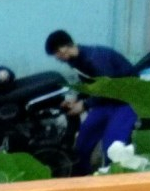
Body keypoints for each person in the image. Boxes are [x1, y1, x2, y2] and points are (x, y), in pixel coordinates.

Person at [45, 30, 138, 174]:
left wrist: (85, 105)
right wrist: (77, 98)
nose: (57, 58)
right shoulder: (75, 60)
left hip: (124, 102)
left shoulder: (94, 58)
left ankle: (113, 179)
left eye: (56, 53)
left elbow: (108, 88)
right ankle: (81, 177)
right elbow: (91, 84)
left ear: (64, 48)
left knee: (112, 148)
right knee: (83, 141)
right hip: (105, 102)